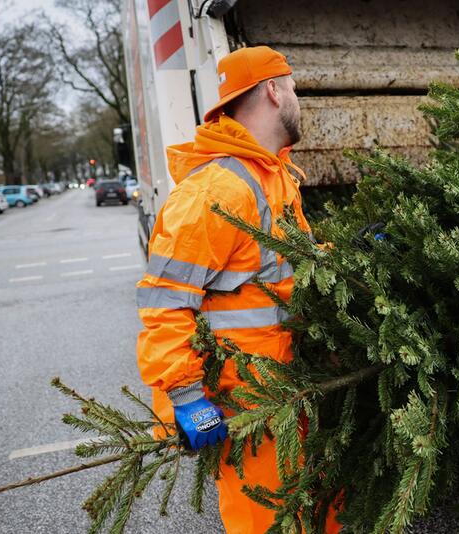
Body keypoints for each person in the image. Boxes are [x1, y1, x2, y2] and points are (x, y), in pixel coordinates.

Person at [135, 46, 339, 533]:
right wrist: (184, 396)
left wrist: (347, 256)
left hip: (292, 388)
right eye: (291, 87)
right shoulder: (218, 190)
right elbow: (165, 301)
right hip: (252, 406)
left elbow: (281, 268)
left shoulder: (273, 177)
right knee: (269, 523)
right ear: (271, 90)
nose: (297, 98)